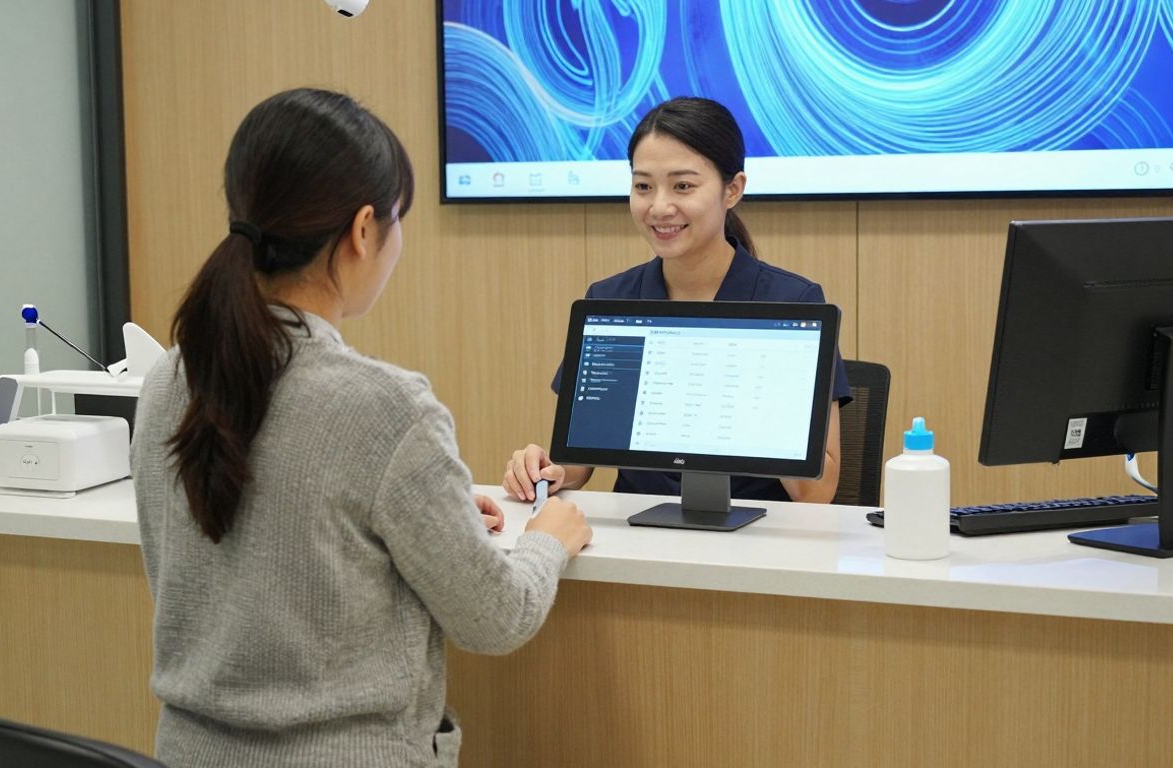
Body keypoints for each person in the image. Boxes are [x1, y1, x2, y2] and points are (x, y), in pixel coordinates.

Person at [131, 88, 592, 768]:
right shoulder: (387, 409)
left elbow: (241, 550)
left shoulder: (168, 379)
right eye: (399, 220)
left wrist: (422, 515)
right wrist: (548, 541)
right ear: (364, 229)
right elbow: (495, 619)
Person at [503, 96, 852, 506]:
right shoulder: (609, 301)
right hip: (634, 535)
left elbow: (817, 493)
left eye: (683, 186)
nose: (659, 207)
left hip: (756, 535)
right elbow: (577, 459)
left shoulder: (793, 304)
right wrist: (546, 471)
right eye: (643, 186)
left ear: (732, 190)